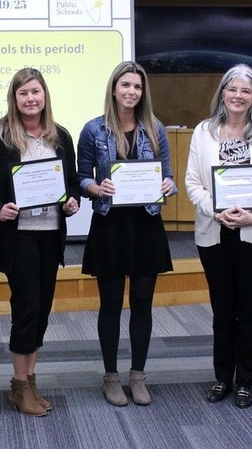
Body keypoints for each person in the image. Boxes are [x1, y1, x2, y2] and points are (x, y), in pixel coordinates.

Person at [0, 68, 81, 417]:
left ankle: (30, 380)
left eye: (35, 92)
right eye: (23, 94)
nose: (30, 99)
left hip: (50, 236)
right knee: (27, 308)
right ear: (14, 98)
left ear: (44, 95)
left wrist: (72, 200)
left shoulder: (60, 135)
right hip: (16, 237)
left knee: (42, 309)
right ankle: (19, 385)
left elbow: (72, 180)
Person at [184, 63, 252, 409]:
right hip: (214, 233)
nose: (238, 96)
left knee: (249, 309)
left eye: (245, 90)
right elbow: (193, 183)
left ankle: (246, 380)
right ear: (222, 93)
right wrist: (217, 211)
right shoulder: (203, 132)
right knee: (221, 309)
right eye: (232, 89)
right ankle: (222, 377)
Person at [77, 61, 176, 407]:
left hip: (146, 224)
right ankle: (110, 376)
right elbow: (79, 177)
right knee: (110, 305)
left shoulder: (155, 128)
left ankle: (138, 375)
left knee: (143, 303)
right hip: (110, 226)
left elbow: (169, 177)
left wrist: (168, 184)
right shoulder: (93, 129)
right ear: (114, 89)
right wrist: (94, 186)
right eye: (126, 86)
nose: (131, 92)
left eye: (137, 86)